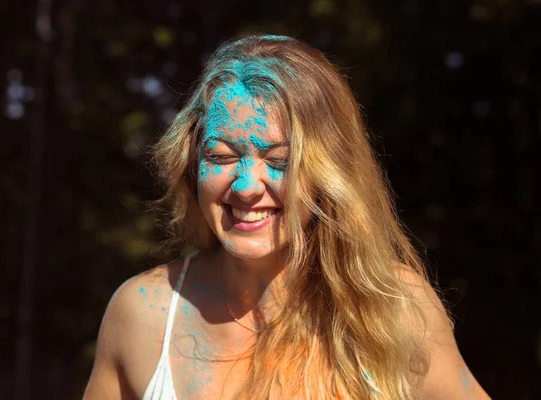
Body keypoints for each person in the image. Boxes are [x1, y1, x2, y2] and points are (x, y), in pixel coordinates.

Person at [83, 35, 491, 400]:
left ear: (328, 173)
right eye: (220, 156)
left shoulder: (393, 308)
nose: (246, 186)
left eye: (279, 161)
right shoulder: (143, 313)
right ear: (191, 167)